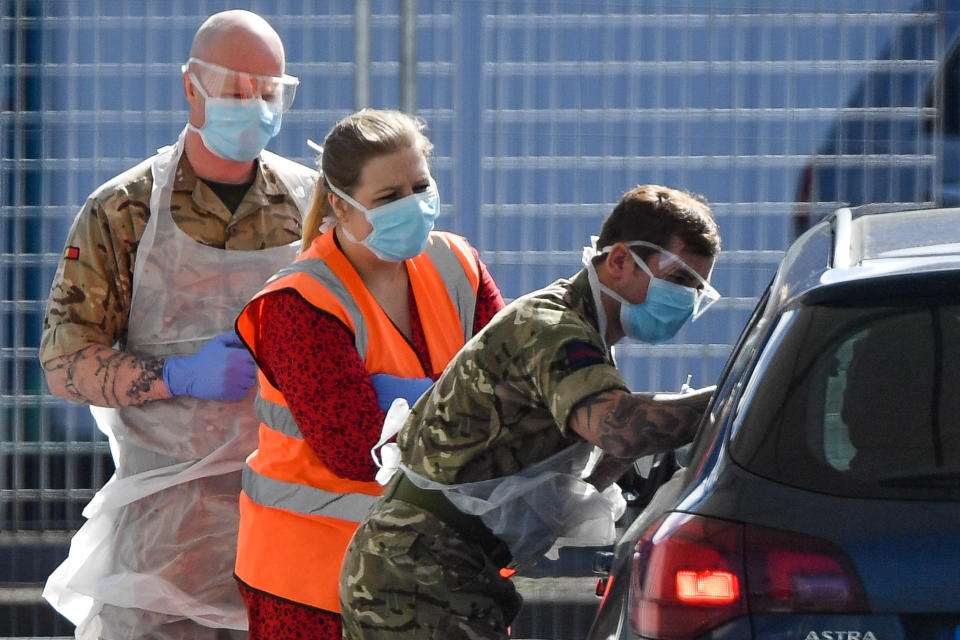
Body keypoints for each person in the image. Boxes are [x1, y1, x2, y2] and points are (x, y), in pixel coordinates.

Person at [39, 10, 317, 640]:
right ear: (191, 85)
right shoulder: (123, 210)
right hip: (166, 538)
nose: (254, 105)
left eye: (269, 91)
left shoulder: (311, 207)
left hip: (286, 520)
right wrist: (178, 375)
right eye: (237, 89)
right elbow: (64, 364)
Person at [339, 183, 723, 640]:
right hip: (418, 573)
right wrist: (737, 393)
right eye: (678, 280)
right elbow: (622, 431)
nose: (687, 300)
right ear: (619, 261)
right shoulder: (553, 328)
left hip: (441, 567)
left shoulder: (586, 339)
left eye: (697, 289)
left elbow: (587, 457)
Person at [231, 108, 506, 640]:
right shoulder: (298, 302)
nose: (414, 204)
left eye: (421, 185)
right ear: (340, 203)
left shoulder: (458, 263)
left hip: (442, 568)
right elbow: (357, 450)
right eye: (389, 197)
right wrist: (474, 419)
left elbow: (511, 385)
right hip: (314, 581)